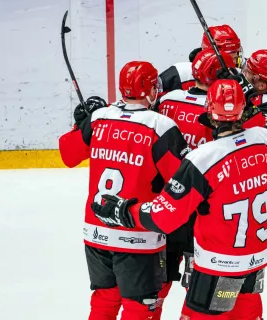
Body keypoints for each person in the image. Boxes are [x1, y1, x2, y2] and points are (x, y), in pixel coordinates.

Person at [91, 79, 267, 319]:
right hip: (255, 263)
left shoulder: (203, 159)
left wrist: (124, 210)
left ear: (209, 112)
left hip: (217, 269)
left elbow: (162, 217)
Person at [58, 61, 190, 320]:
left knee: (104, 302)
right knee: (140, 309)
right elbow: (184, 179)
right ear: (152, 90)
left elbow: (67, 154)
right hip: (138, 236)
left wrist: (81, 123)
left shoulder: (99, 118)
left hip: (96, 232)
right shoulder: (160, 126)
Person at [159, 24, 244, 93]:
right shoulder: (180, 73)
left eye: (236, 57)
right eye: (229, 59)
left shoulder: (244, 72)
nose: (234, 64)